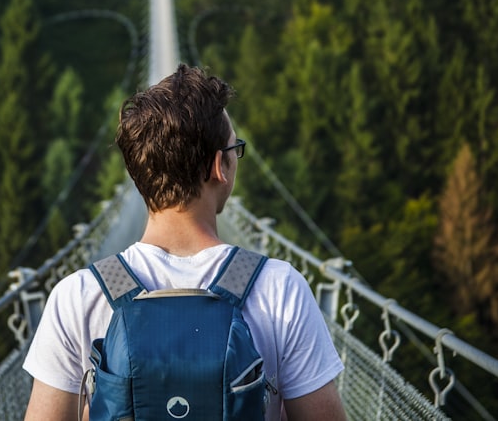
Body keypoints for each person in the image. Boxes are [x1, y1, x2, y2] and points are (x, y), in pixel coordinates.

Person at [23, 65, 346, 421]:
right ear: (218, 167)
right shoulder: (279, 288)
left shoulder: (78, 295)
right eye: (234, 149)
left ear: (137, 172)